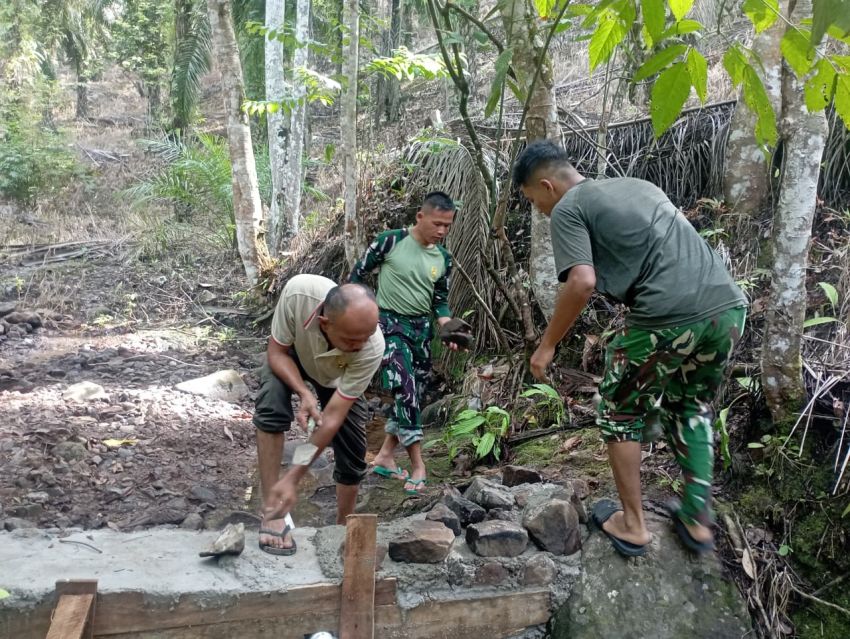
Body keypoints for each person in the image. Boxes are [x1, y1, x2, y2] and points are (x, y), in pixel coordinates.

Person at [513, 140, 747, 556]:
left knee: (620, 411)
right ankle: (697, 519)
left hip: (666, 316)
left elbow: (581, 282)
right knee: (688, 405)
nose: (539, 210)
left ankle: (634, 525)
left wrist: (546, 346)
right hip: (727, 310)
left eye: (534, 201)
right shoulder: (637, 186)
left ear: (547, 186)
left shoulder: (568, 207)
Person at [349, 191, 470, 495]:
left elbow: (440, 303)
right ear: (420, 216)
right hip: (388, 324)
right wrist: (365, 316)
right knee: (404, 388)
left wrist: (448, 327)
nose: (442, 231)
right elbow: (357, 276)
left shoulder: (443, 258)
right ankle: (418, 464)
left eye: (447, 226)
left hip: (421, 331)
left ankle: (385, 457)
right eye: (437, 223)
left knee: (413, 394)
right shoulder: (390, 241)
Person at [253, 274, 384, 555]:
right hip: (294, 357)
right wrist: (303, 392)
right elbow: (276, 353)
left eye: (367, 337)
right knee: (271, 403)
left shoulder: (370, 347)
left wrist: (294, 477)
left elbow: (331, 419)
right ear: (325, 324)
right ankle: (273, 513)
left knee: (352, 449)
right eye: (351, 339)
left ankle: (341, 527)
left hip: (337, 378)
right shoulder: (298, 295)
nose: (360, 345)